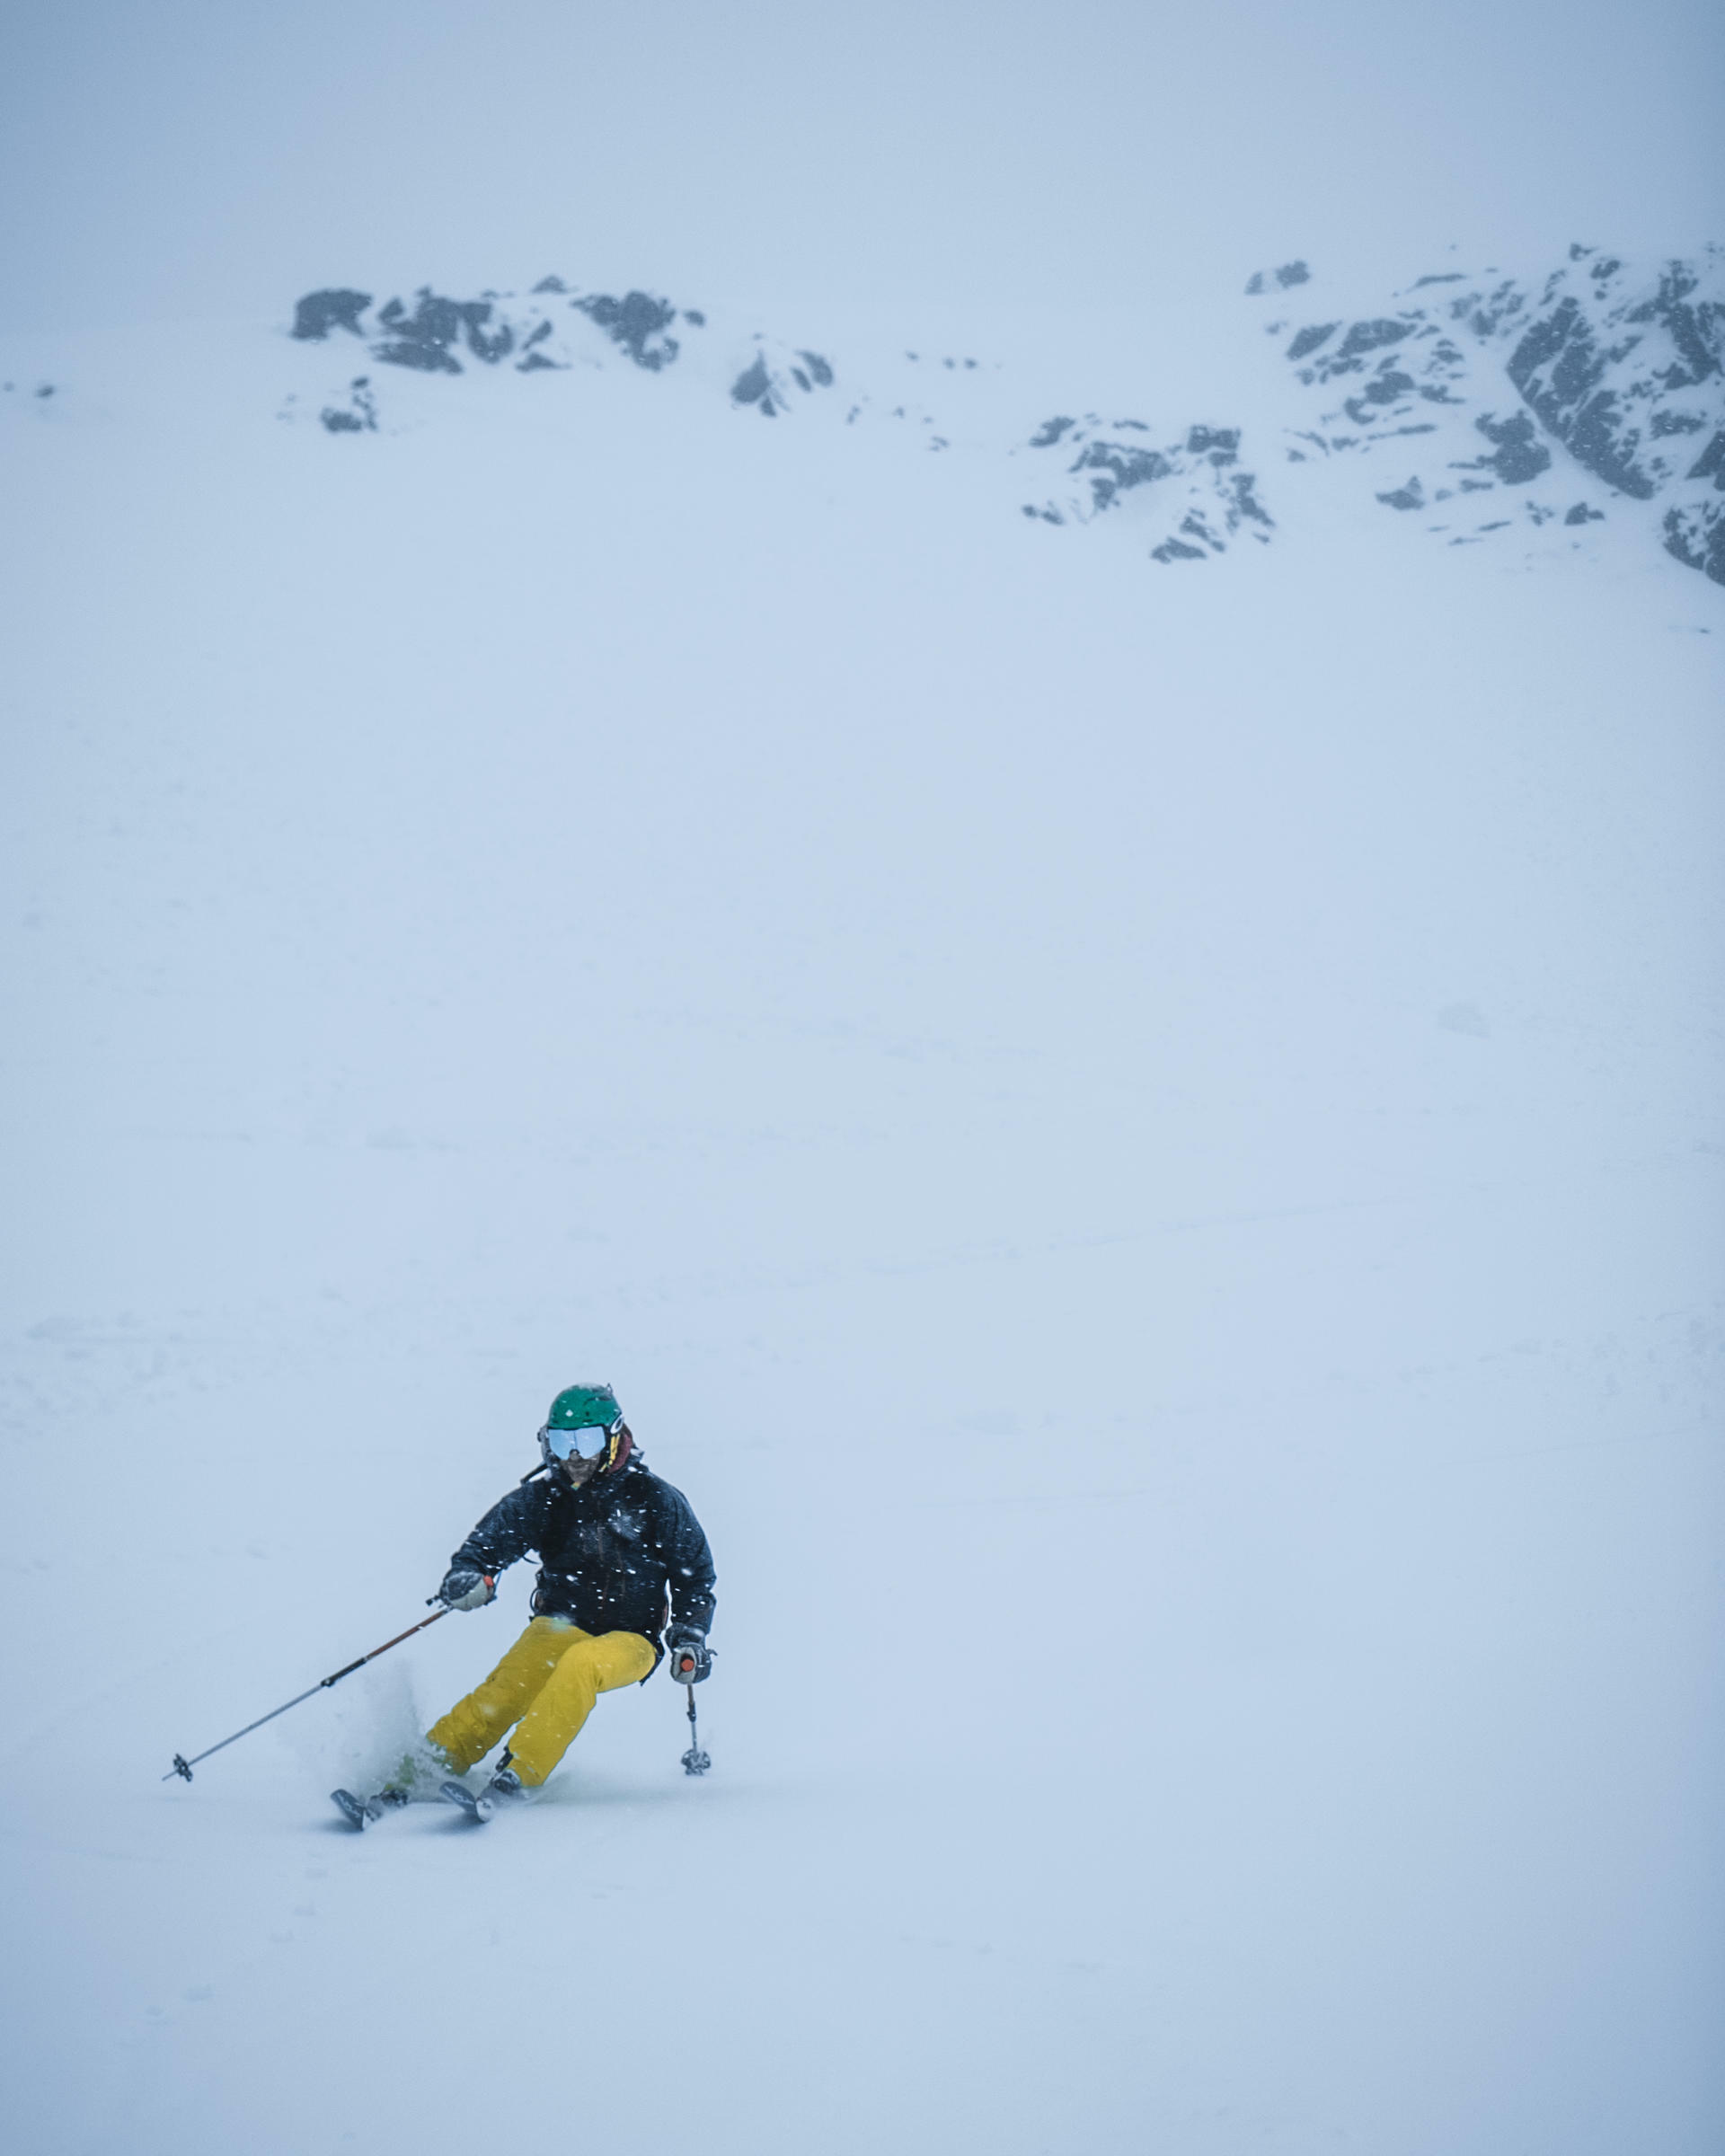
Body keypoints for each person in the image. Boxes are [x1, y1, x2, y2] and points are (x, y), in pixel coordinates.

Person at [376, 1383, 715, 1814]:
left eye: (587, 1442)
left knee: (582, 1665)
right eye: (562, 1442)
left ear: (614, 1440)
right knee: (508, 1687)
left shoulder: (655, 1500)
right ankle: (423, 1768)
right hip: (559, 1624)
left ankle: (520, 1770)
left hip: (632, 1639)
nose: (574, 1456)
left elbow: (694, 1575)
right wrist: (469, 1575)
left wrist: (689, 1636)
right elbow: (488, 1545)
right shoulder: (546, 1498)